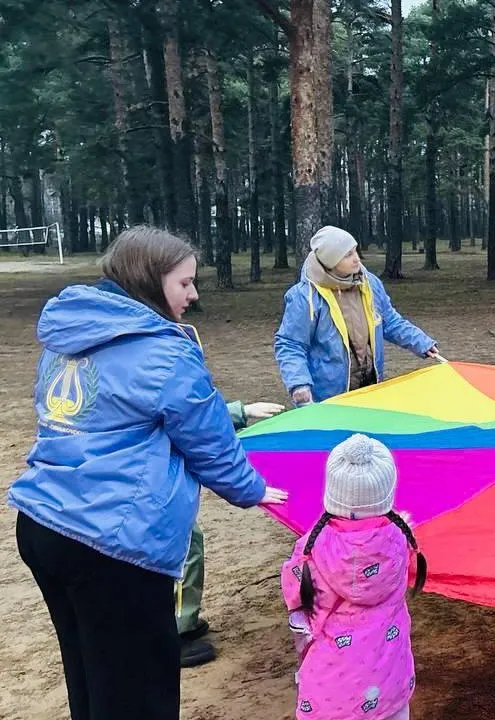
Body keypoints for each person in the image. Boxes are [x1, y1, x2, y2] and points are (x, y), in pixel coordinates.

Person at [8, 226, 287, 720]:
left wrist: (235, 409)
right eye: (184, 283)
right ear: (148, 282)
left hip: (43, 525)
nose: (194, 294)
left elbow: (112, 409)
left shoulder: (70, 334)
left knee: (92, 679)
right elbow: (210, 445)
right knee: (140, 694)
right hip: (113, 544)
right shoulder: (167, 350)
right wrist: (254, 490)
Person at [281, 433, 427, 720]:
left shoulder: (311, 547)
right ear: (387, 491)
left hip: (333, 687)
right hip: (389, 678)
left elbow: (294, 592)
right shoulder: (401, 539)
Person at [275, 226, 440, 406]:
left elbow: (389, 321)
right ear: (331, 261)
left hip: (370, 386)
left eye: (355, 251)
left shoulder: (369, 283)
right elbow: (291, 344)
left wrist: (421, 343)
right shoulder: (305, 296)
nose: (357, 259)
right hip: (329, 399)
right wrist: (299, 385)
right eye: (347, 255)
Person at [177, 398, 285, 668]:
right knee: (182, 549)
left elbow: (189, 410)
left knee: (189, 543)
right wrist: (249, 488)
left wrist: (241, 411)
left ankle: (182, 620)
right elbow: (192, 421)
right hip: (148, 486)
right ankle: (175, 633)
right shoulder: (156, 363)